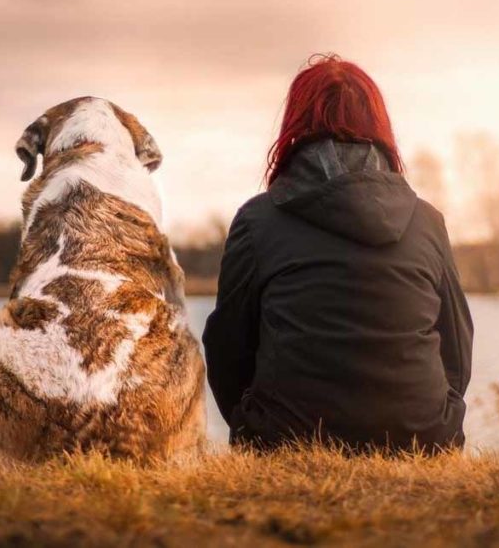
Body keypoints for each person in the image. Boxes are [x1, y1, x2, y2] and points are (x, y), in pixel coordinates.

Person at [202, 54, 473, 453]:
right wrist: (436, 418)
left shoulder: (257, 221)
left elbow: (227, 348)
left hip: (285, 440)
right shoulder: (427, 221)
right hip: (423, 440)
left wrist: (252, 424)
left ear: (295, 125)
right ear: (378, 125)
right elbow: (458, 348)